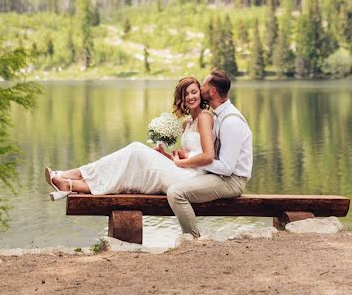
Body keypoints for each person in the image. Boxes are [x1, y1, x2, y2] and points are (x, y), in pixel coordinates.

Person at [44, 77, 215, 199]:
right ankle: (69, 185)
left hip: (193, 180)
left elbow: (208, 156)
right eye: (186, 94)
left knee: (136, 150)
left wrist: (179, 162)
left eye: (194, 92)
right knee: (129, 168)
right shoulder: (187, 123)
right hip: (182, 171)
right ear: (182, 99)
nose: (191, 97)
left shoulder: (205, 117)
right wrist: (166, 156)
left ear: (200, 93)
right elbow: (189, 156)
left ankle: (68, 175)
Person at [167, 68, 253, 238]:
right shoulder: (219, 115)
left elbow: (227, 168)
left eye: (204, 84)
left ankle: (192, 240)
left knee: (176, 193)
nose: (201, 86)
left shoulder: (231, 121)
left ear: (212, 91)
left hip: (232, 181)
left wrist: (189, 159)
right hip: (219, 175)